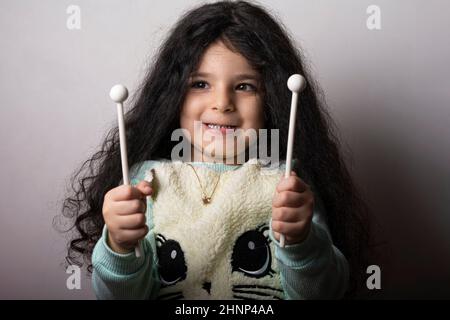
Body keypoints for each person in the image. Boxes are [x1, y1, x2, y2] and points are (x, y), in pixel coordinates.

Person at [60, 0, 371, 299]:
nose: (222, 103)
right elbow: (121, 297)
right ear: (173, 96)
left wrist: (302, 242)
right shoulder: (146, 183)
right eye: (200, 84)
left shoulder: (288, 184)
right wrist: (119, 246)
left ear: (272, 99)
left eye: (244, 86)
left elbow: (323, 292)